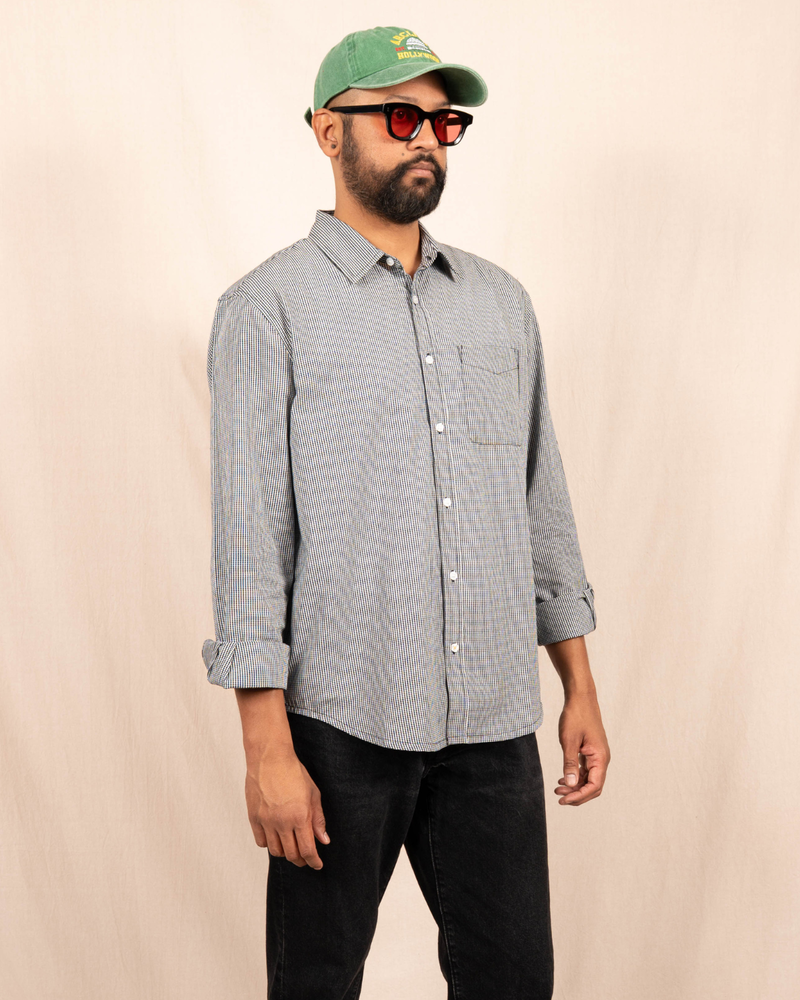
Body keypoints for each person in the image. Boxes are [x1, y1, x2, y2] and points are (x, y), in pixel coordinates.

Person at [201, 24, 611, 1000]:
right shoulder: (266, 308)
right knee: (316, 983)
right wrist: (266, 748)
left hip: (492, 722)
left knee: (514, 981)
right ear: (326, 132)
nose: (426, 137)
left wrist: (578, 686)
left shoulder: (501, 303)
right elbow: (250, 537)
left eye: (442, 121)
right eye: (398, 117)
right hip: (339, 725)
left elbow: (539, 498)